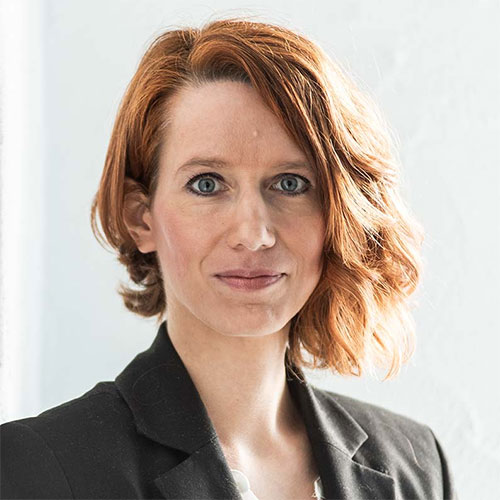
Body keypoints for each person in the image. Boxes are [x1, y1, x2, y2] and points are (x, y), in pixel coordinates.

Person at [0, 17, 457, 500]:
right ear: (141, 218)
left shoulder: (414, 464)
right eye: (206, 184)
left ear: (337, 213)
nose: (254, 235)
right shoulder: (39, 467)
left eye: (290, 184)